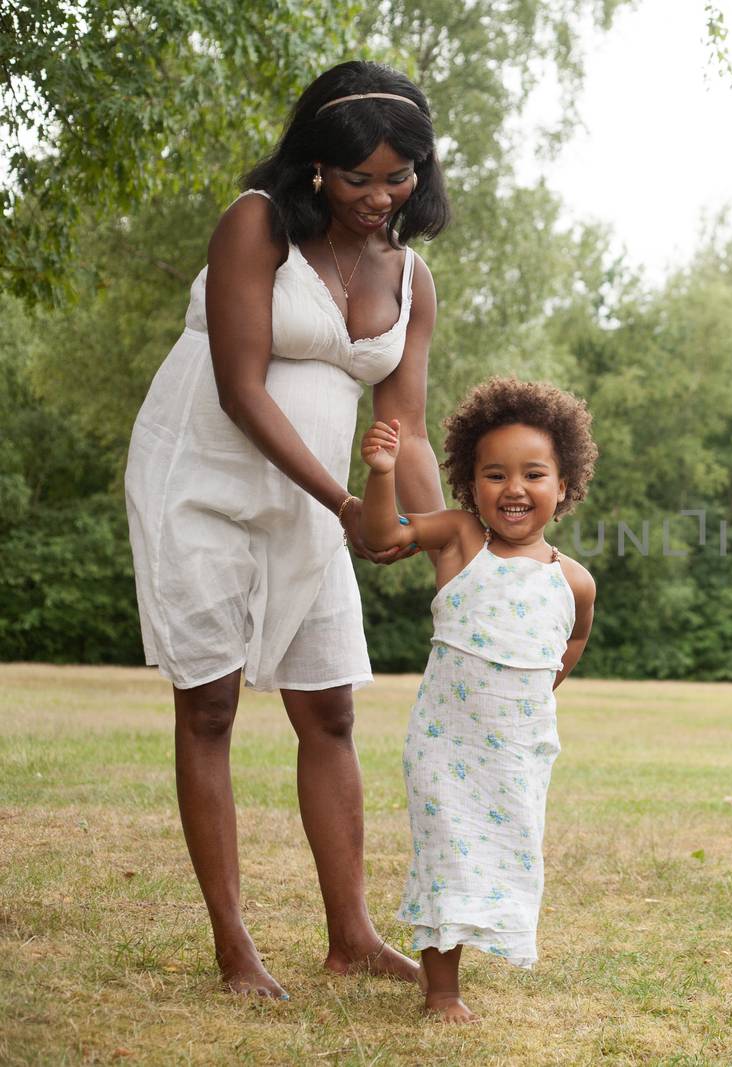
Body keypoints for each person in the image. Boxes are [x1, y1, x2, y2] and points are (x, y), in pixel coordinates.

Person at [123, 60, 450, 999]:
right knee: (212, 704)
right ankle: (236, 947)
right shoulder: (256, 224)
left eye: (401, 177)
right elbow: (239, 388)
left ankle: (349, 934)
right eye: (359, 179)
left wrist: (446, 552)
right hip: (207, 477)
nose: (381, 198)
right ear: (315, 168)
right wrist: (346, 504)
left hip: (310, 504)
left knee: (331, 707)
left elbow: (410, 430)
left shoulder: (411, 276)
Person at [358, 377, 598, 1022]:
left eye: (533, 474)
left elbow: (569, 642)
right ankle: (442, 992)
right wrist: (382, 474)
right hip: (446, 745)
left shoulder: (574, 580)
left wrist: (533, 691)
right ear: (471, 482)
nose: (513, 488)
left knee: (505, 853)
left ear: (565, 485)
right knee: (449, 854)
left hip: (517, 752)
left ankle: (483, 945)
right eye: (495, 474)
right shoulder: (462, 538)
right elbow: (382, 534)